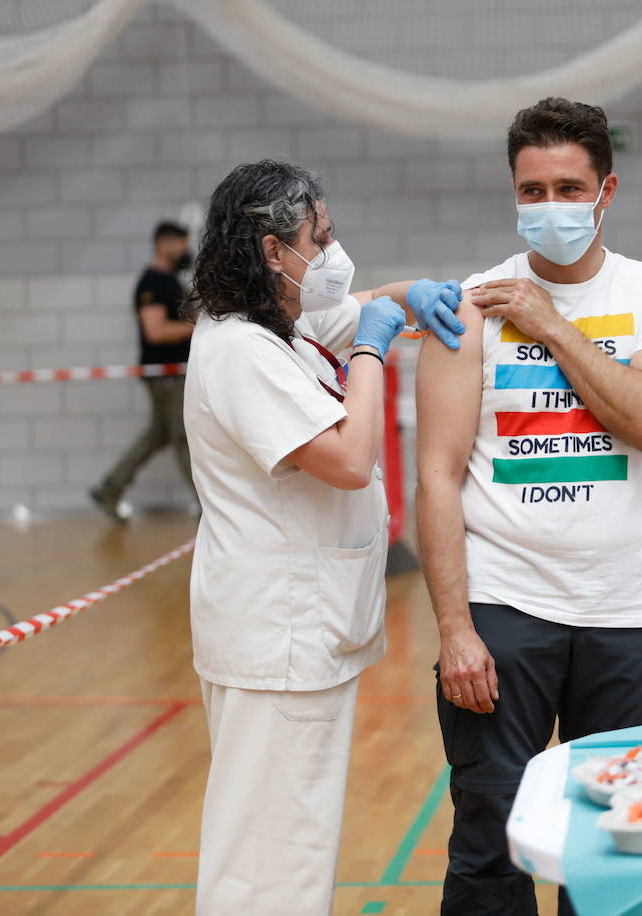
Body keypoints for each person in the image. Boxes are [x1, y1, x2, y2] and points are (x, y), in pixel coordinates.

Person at [416, 98, 642, 915]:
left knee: (622, 844)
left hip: (626, 610)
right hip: (503, 609)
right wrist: (454, 629)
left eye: (567, 188)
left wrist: (550, 326)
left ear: (606, 191)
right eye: (531, 190)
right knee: (490, 844)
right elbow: (436, 476)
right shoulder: (467, 304)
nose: (549, 207)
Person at [181, 159, 464, 915]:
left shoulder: (279, 322)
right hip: (280, 638)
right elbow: (346, 458)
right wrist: (373, 350)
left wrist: (409, 298)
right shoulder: (240, 348)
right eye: (321, 237)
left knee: (289, 848)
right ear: (275, 250)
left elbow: (360, 305)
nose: (335, 253)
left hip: (300, 634)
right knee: (272, 860)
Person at [89, 221, 197, 522]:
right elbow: (156, 331)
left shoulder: (171, 281)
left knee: (158, 434)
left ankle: (110, 488)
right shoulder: (153, 282)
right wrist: (198, 326)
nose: (186, 251)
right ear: (164, 245)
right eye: (181, 244)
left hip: (173, 373)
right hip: (165, 375)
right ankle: (209, 507)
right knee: (183, 436)